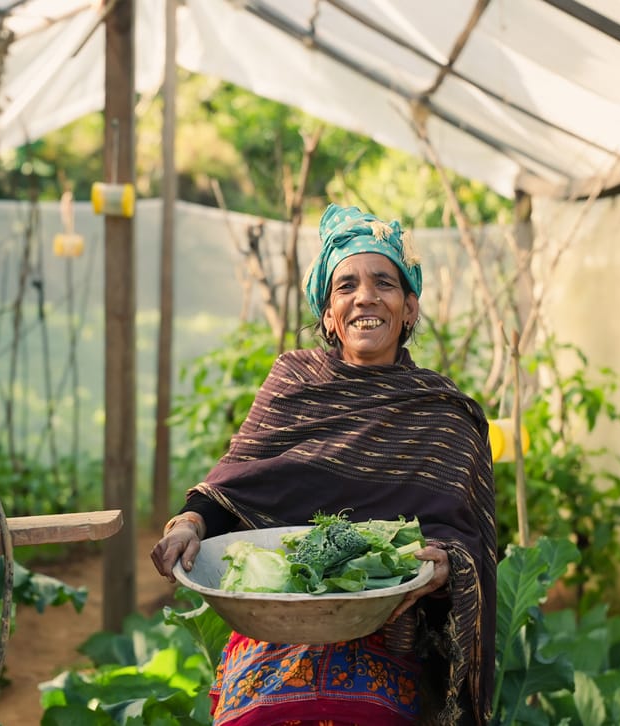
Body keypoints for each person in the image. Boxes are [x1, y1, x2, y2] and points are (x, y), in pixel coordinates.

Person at [151, 203, 497, 726]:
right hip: (276, 626)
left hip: (390, 633)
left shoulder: (442, 413)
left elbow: (464, 537)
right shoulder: (293, 383)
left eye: (384, 283)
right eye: (346, 286)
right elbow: (237, 487)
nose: (365, 297)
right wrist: (189, 524)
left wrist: (448, 563)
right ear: (329, 315)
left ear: (409, 308)